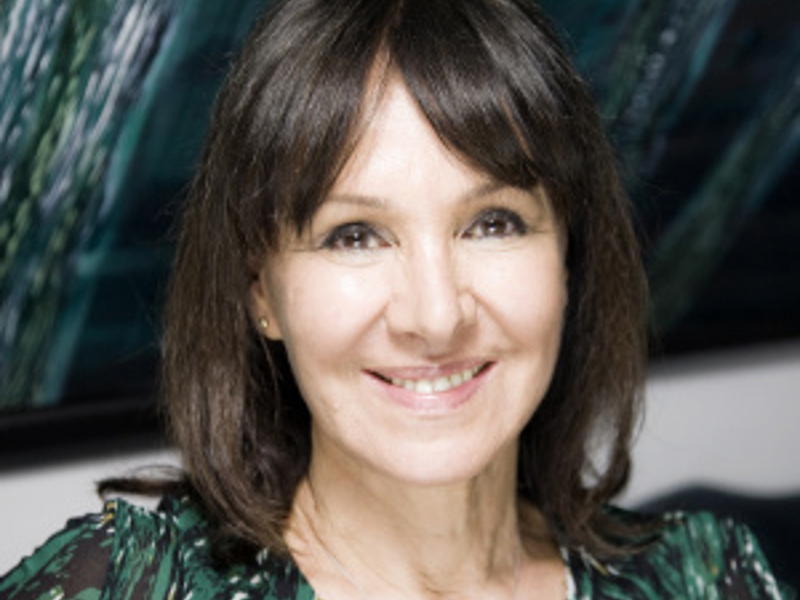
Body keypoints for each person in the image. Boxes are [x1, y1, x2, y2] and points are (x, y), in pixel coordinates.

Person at [0, 0, 792, 598]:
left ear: (568, 259)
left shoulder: (707, 575)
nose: (436, 314)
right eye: (354, 234)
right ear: (259, 292)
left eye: (492, 222)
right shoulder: (128, 585)